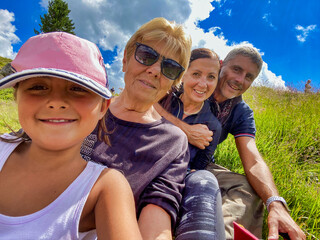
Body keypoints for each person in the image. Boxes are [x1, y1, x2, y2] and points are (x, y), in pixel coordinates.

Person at [0, 32, 142, 240]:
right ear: (16, 97)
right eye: (38, 87)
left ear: (103, 107)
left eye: (77, 89)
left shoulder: (105, 187)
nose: (56, 101)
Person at [157, 46, 306, 240]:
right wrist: (186, 130)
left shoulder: (241, 112)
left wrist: (275, 204)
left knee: (246, 187)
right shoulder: (194, 81)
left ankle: (221, 234)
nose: (240, 80)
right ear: (221, 65)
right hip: (158, 149)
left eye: (249, 77)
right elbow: (145, 100)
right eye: (236, 69)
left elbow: (253, 159)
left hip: (197, 164)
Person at [80, 17, 192, 240]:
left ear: (173, 83)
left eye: (170, 68)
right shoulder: (85, 106)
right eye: (146, 56)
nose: (155, 70)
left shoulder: (172, 142)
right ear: (125, 60)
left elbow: (158, 220)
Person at [158, 48, 225, 239]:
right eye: (196, 74)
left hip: (176, 180)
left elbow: (198, 168)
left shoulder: (213, 126)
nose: (203, 84)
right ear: (184, 74)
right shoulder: (164, 98)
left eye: (211, 77)